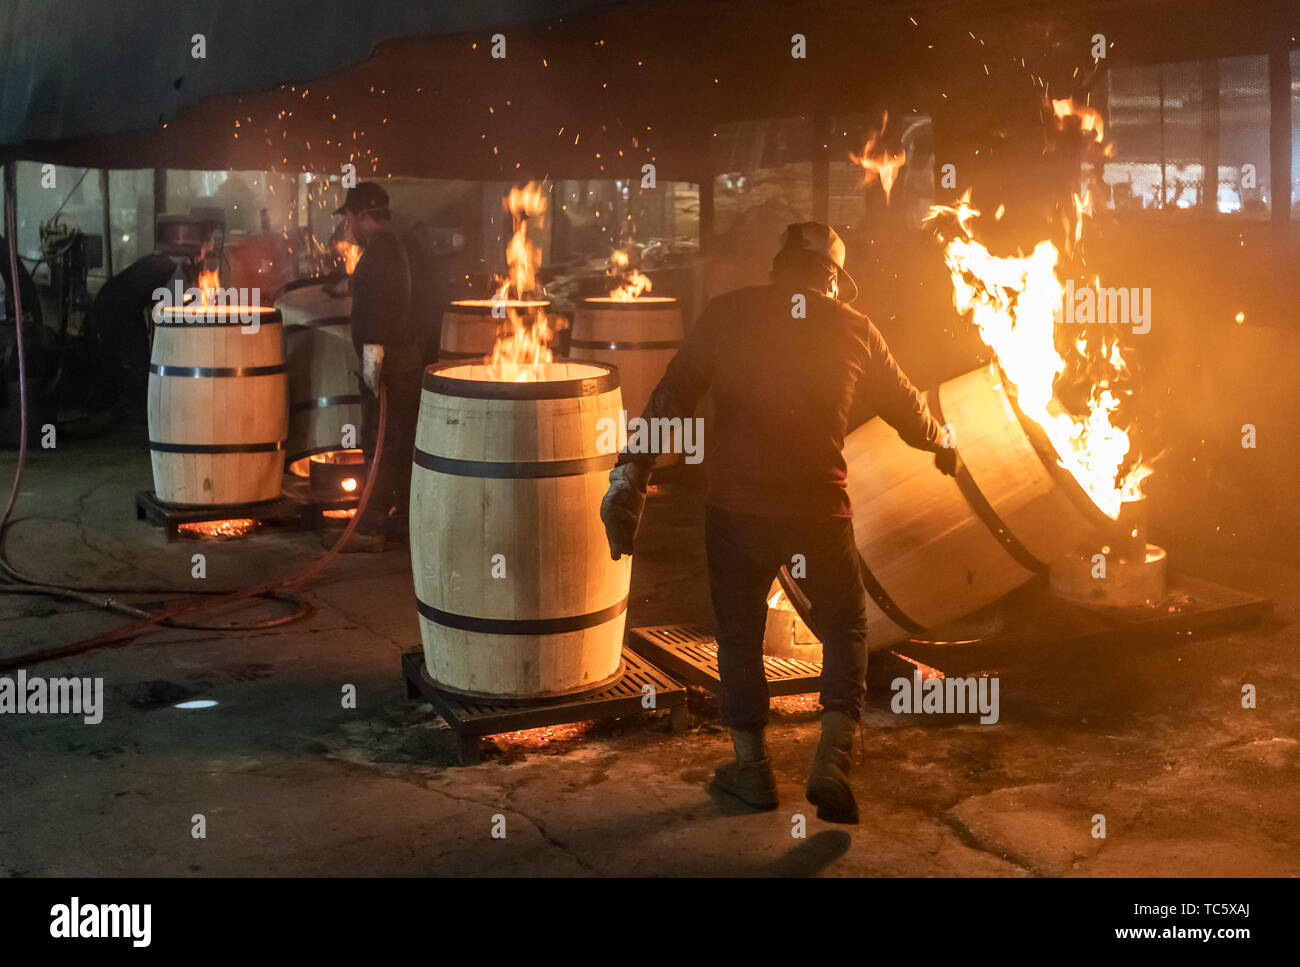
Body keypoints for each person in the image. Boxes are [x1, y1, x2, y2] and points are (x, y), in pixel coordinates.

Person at [600, 223, 958, 824]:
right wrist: (940, 442)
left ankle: (753, 768)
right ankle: (833, 759)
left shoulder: (727, 314)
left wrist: (630, 471)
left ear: (779, 264)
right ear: (831, 278)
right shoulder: (856, 329)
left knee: (738, 636)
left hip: (735, 510)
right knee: (845, 629)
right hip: (818, 511)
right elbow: (907, 407)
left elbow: (672, 396)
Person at [332, 182, 422, 552]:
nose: (348, 226)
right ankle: (400, 522)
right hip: (401, 365)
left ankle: (370, 526)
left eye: (350, 217)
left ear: (365, 216)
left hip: (389, 367)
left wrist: (372, 365)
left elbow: (381, 316)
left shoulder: (380, 256)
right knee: (397, 444)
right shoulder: (393, 248)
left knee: (380, 443)